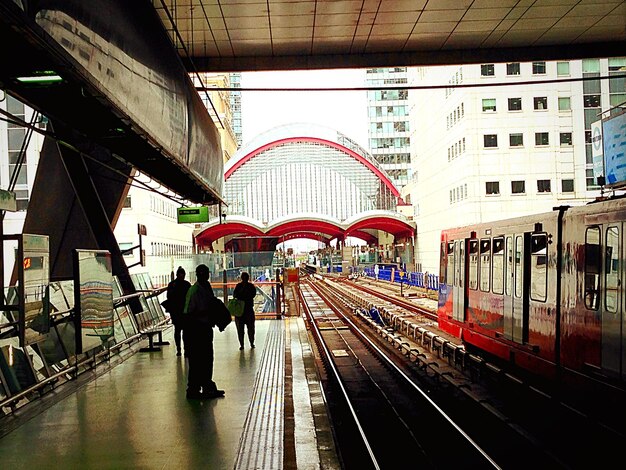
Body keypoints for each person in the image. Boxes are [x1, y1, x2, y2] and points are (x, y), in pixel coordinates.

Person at [183, 264, 225, 399]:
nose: (206, 276)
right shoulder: (194, 290)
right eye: (204, 273)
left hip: (206, 328)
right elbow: (188, 313)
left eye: (206, 273)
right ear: (199, 275)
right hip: (196, 331)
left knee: (207, 359)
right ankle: (193, 389)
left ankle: (207, 386)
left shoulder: (206, 287)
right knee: (197, 360)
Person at [166, 267, 191, 357]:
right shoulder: (187, 284)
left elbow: (168, 297)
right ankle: (185, 350)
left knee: (177, 331)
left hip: (176, 312)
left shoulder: (172, 285)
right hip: (184, 311)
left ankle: (179, 349)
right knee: (185, 332)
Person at [233, 271, 257, 350]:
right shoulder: (251, 286)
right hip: (249, 309)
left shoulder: (238, 286)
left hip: (240, 311)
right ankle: (252, 343)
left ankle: (242, 344)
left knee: (240, 329)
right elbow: (253, 294)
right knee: (251, 328)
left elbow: (235, 295)